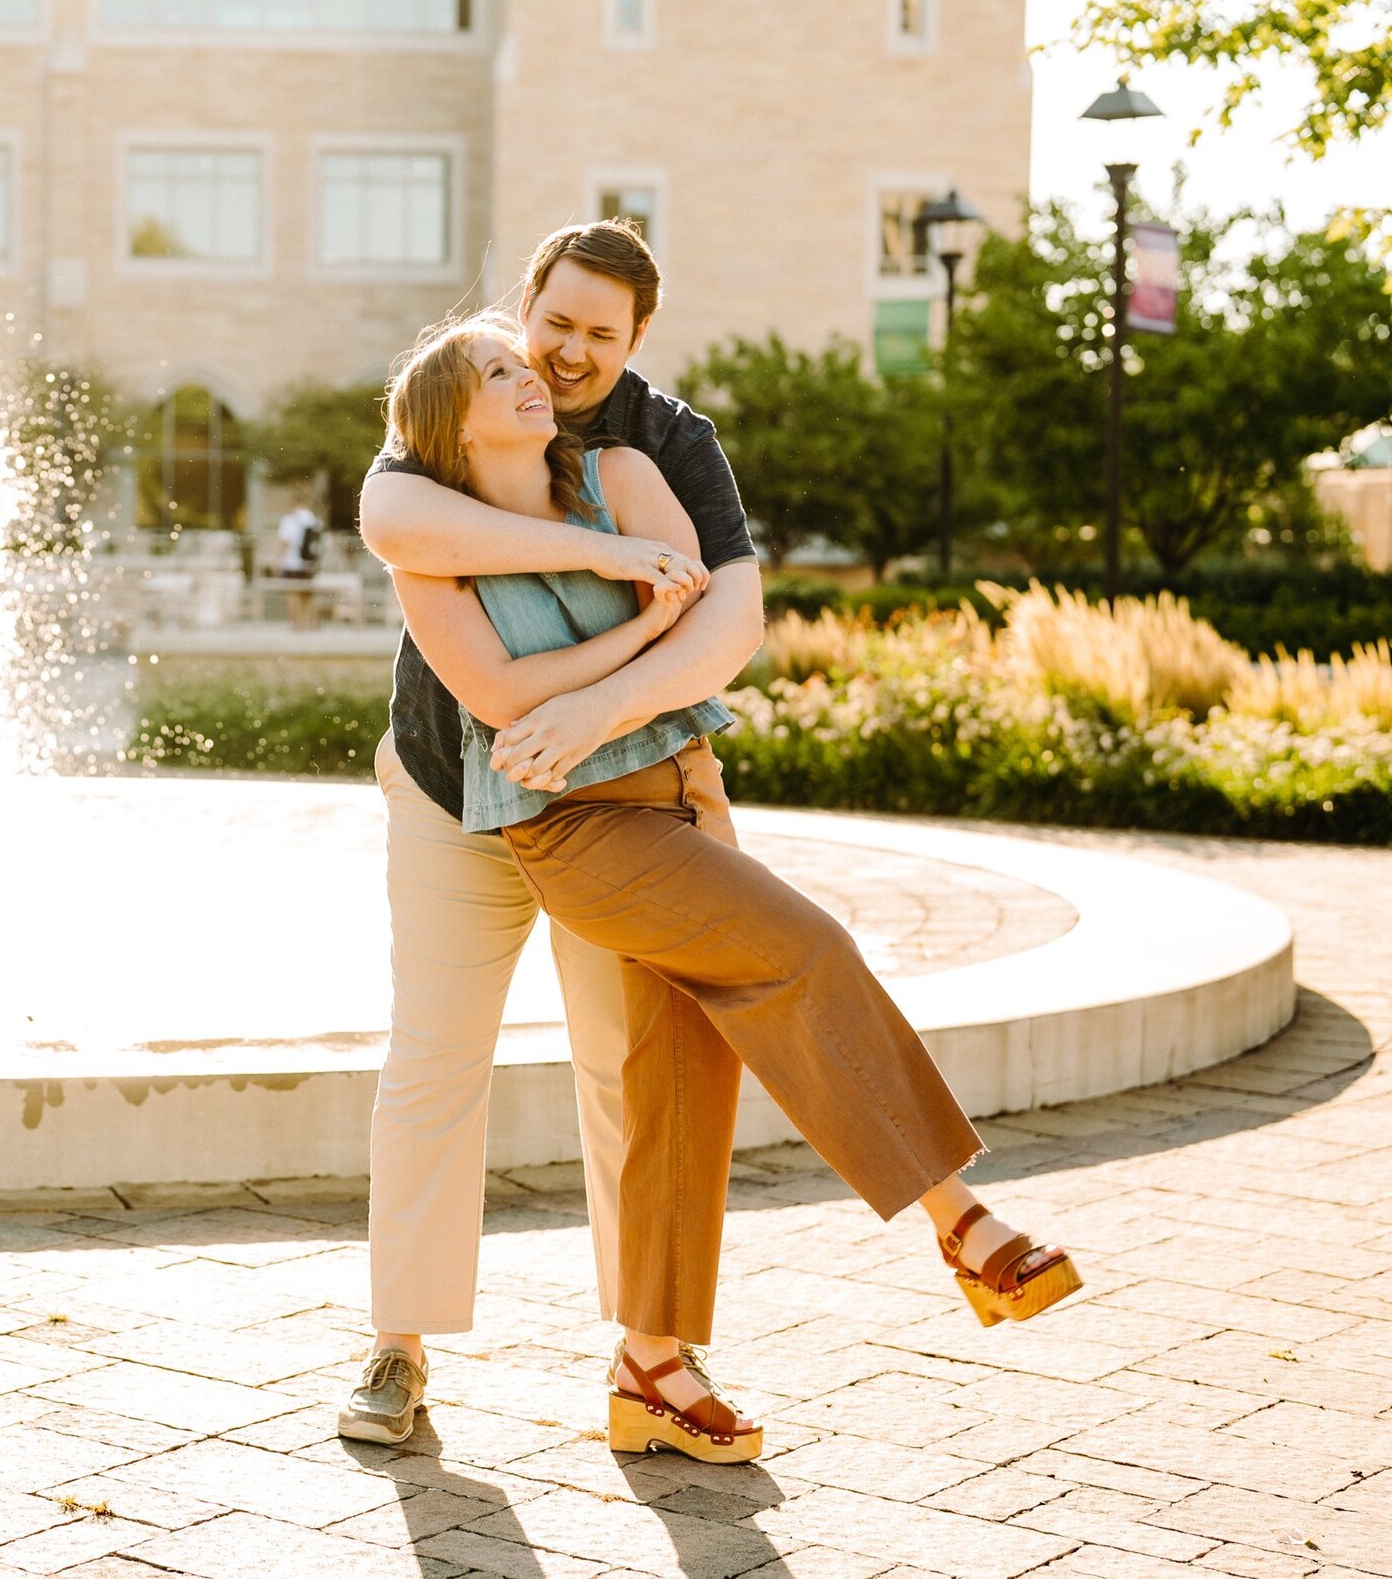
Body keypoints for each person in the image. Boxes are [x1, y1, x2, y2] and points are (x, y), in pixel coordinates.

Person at [350, 311, 1081, 1465]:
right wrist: (616, 607)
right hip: (555, 820)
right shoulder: (424, 529)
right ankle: (960, 1220)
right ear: (454, 416)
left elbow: (701, 605)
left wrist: (607, 662)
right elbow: (497, 693)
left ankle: (652, 1364)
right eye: (509, 359)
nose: (541, 365)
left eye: (583, 335)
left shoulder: (632, 464)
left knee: (674, 1060)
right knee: (801, 950)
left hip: (674, 793)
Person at [344, 221, 754, 1448]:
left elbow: (727, 618)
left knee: (626, 1062)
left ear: (636, 341)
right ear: (528, 302)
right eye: (555, 322)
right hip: (447, 791)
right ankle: (397, 1347)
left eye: (599, 336)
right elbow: (396, 521)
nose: (567, 354)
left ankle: (650, 1357)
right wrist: (601, 556)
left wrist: (594, 713)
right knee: (434, 1060)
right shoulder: (461, 398)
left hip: (603, 799)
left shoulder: (667, 440)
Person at [275, 493, 325, 630]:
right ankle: (309, 623)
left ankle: (295, 624)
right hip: (309, 564)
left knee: (293, 594)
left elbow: (284, 543)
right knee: (308, 595)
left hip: (292, 563)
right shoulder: (315, 520)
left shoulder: (289, 520)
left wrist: (277, 562)